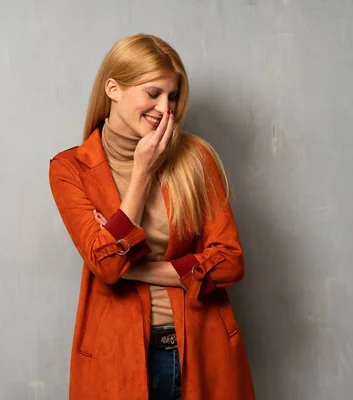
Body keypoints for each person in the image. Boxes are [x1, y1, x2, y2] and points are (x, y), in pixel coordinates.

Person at [49, 33, 255, 400]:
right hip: (120, 358)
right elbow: (108, 267)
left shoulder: (196, 159)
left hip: (200, 349)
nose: (165, 107)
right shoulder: (70, 169)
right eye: (153, 93)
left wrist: (135, 268)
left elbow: (230, 261)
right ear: (113, 88)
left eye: (172, 96)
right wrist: (142, 172)